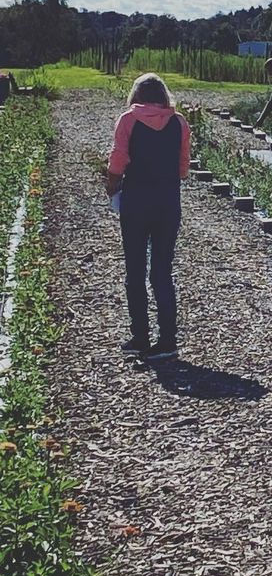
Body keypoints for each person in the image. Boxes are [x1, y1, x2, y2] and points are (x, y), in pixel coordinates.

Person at [106, 73, 190, 361]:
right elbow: (183, 167)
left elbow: (118, 159)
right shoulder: (179, 122)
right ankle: (168, 339)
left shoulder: (129, 120)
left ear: (137, 95)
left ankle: (140, 336)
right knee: (162, 272)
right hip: (168, 201)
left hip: (137, 201)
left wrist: (111, 184)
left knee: (135, 271)